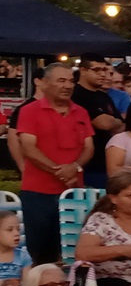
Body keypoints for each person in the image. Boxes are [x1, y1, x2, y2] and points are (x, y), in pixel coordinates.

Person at [16, 63, 94, 263]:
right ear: (45, 83)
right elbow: (28, 148)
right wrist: (61, 172)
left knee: (72, 251)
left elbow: (89, 148)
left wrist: (74, 168)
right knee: (36, 251)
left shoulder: (81, 112)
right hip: (37, 193)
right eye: (61, 80)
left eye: (70, 81)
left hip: (73, 194)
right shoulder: (29, 111)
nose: (67, 85)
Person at [73, 53, 126, 188]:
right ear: (83, 71)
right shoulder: (76, 94)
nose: (103, 74)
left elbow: (122, 125)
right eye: (97, 70)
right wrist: (114, 122)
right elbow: (104, 123)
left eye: (104, 70)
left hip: (107, 162)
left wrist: (112, 122)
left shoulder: (104, 97)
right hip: (87, 164)